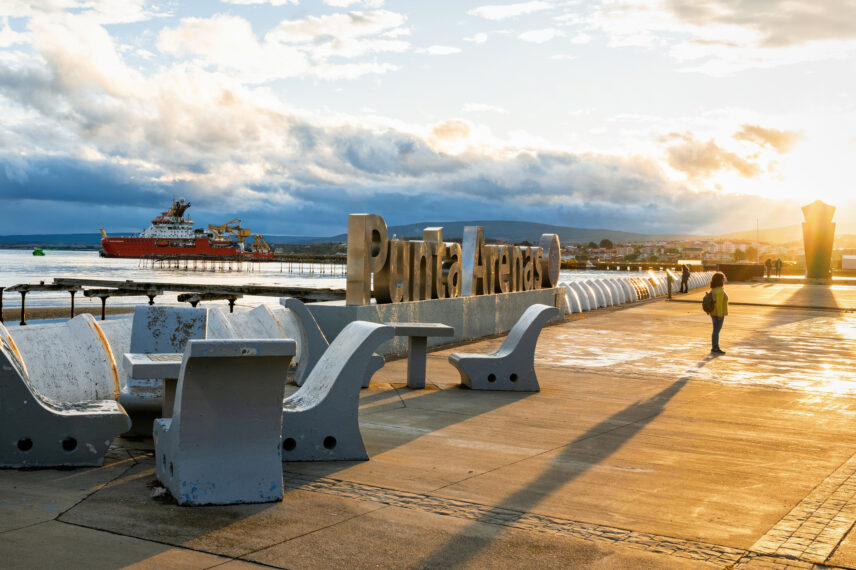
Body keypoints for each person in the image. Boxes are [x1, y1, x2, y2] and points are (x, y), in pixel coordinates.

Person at [708, 271, 728, 355]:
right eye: (723, 278)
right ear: (720, 280)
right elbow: (719, 303)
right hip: (718, 313)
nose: (724, 279)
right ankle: (715, 348)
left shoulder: (713, 289)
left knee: (715, 330)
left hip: (713, 312)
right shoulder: (719, 290)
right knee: (716, 331)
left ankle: (715, 347)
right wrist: (720, 314)